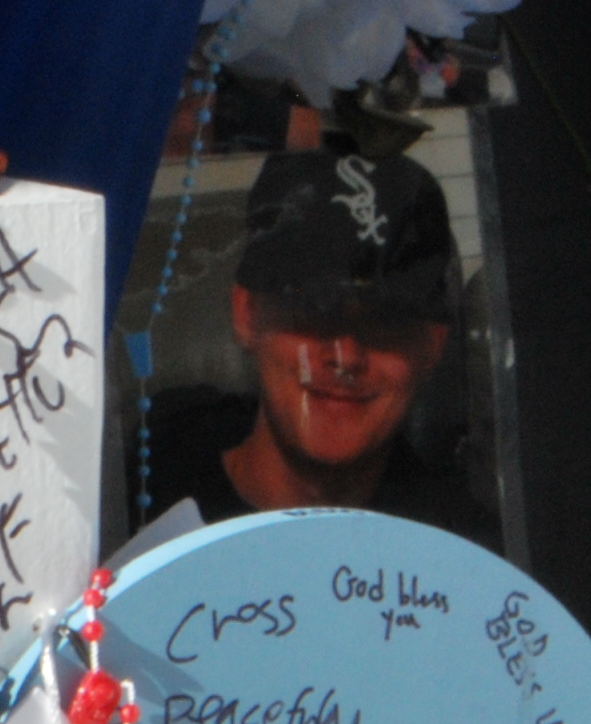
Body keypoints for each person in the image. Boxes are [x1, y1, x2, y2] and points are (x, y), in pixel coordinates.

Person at [135, 147, 497, 542]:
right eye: (314, 311)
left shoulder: (466, 562)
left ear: (433, 342)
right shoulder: (133, 491)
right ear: (245, 313)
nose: (346, 357)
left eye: (385, 323)